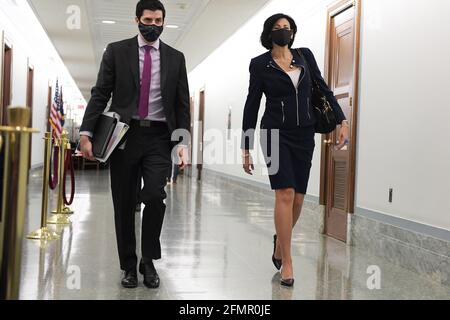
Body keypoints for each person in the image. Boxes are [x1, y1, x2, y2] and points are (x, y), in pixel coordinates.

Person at [79, 0, 190, 289]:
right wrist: (86, 131)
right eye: (148, 20)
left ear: (164, 22)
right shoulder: (117, 51)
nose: (153, 25)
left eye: (158, 21)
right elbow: (101, 93)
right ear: (137, 20)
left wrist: (182, 142)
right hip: (124, 136)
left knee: (155, 196)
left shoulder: (176, 58)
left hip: (159, 137)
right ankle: (128, 265)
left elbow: (181, 105)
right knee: (124, 203)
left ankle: (148, 261)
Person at [241, 13, 349, 287]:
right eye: (278, 28)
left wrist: (342, 120)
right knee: (285, 192)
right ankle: (288, 261)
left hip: (303, 135)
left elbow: (322, 89)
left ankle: (280, 245)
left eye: (287, 28)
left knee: (299, 199)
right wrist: (246, 147)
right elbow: (252, 105)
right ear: (269, 33)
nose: (283, 32)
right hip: (274, 134)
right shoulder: (259, 64)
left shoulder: (305, 56)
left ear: (293, 32)